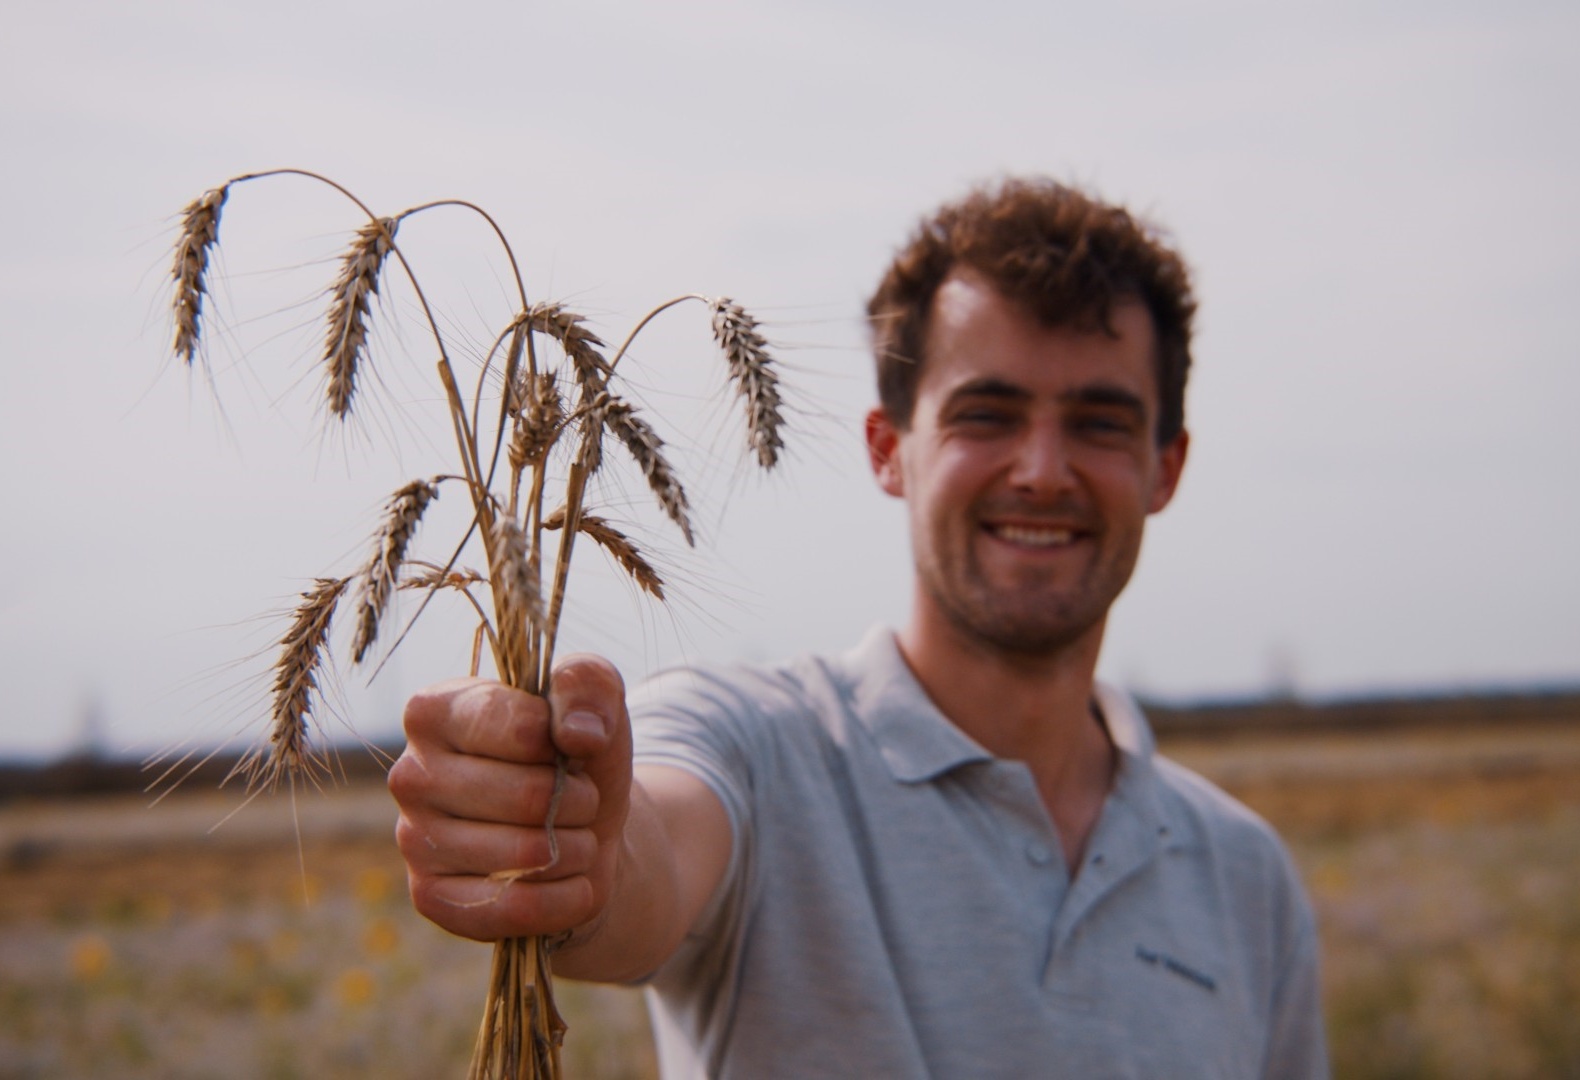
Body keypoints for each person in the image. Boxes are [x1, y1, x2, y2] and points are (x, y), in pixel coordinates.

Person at [389, 178, 1329, 1078]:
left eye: (1100, 424)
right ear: (889, 449)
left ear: (1165, 468)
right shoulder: (756, 749)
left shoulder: (1243, 875)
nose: (1043, 470)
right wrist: (575, 843)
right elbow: (647, 854)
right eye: (986, 415)